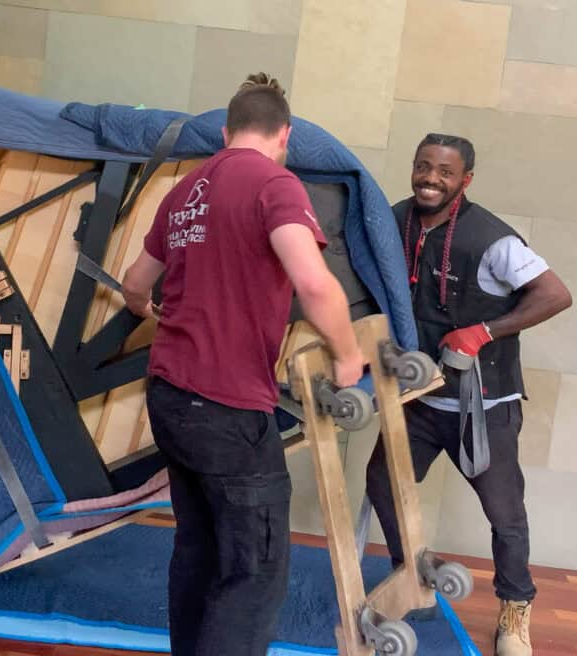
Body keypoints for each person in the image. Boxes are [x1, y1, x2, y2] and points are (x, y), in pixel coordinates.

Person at [121, 73, 365, 656]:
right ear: (285, 135)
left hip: (169, 397)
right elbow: (314, 283)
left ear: (226, 132)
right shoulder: (276, 185)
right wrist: (349, 356)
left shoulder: (184, 192)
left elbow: (134, 287)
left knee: (200, 550)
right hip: (227, 406)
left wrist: (161, 310)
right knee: (254, 571)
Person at [365, 134, 572, 656]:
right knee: (383, 485)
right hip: (418, 398)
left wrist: (483, 332)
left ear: (465, 180)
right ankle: (411, 576)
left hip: (482, 406)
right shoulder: (394, 219)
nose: (430, 179)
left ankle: (515, 611)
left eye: (444, 171)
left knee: (505, 515)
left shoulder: (493, 239)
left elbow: (556, 295)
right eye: (422, 167)